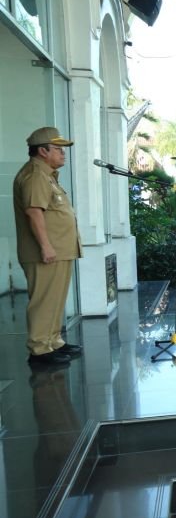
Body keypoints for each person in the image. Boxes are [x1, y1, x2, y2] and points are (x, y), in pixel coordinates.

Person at [13, 127, 83, 365]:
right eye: (58, 149)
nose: (63, 154)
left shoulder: (47, 175)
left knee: (55, 299)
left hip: (59, 250)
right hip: (46, 252)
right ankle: (40, 348)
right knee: (44, 300)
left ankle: (53, 342)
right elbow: (34, 213)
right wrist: (46, 246)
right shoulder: (35, 175)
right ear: (42, 151)